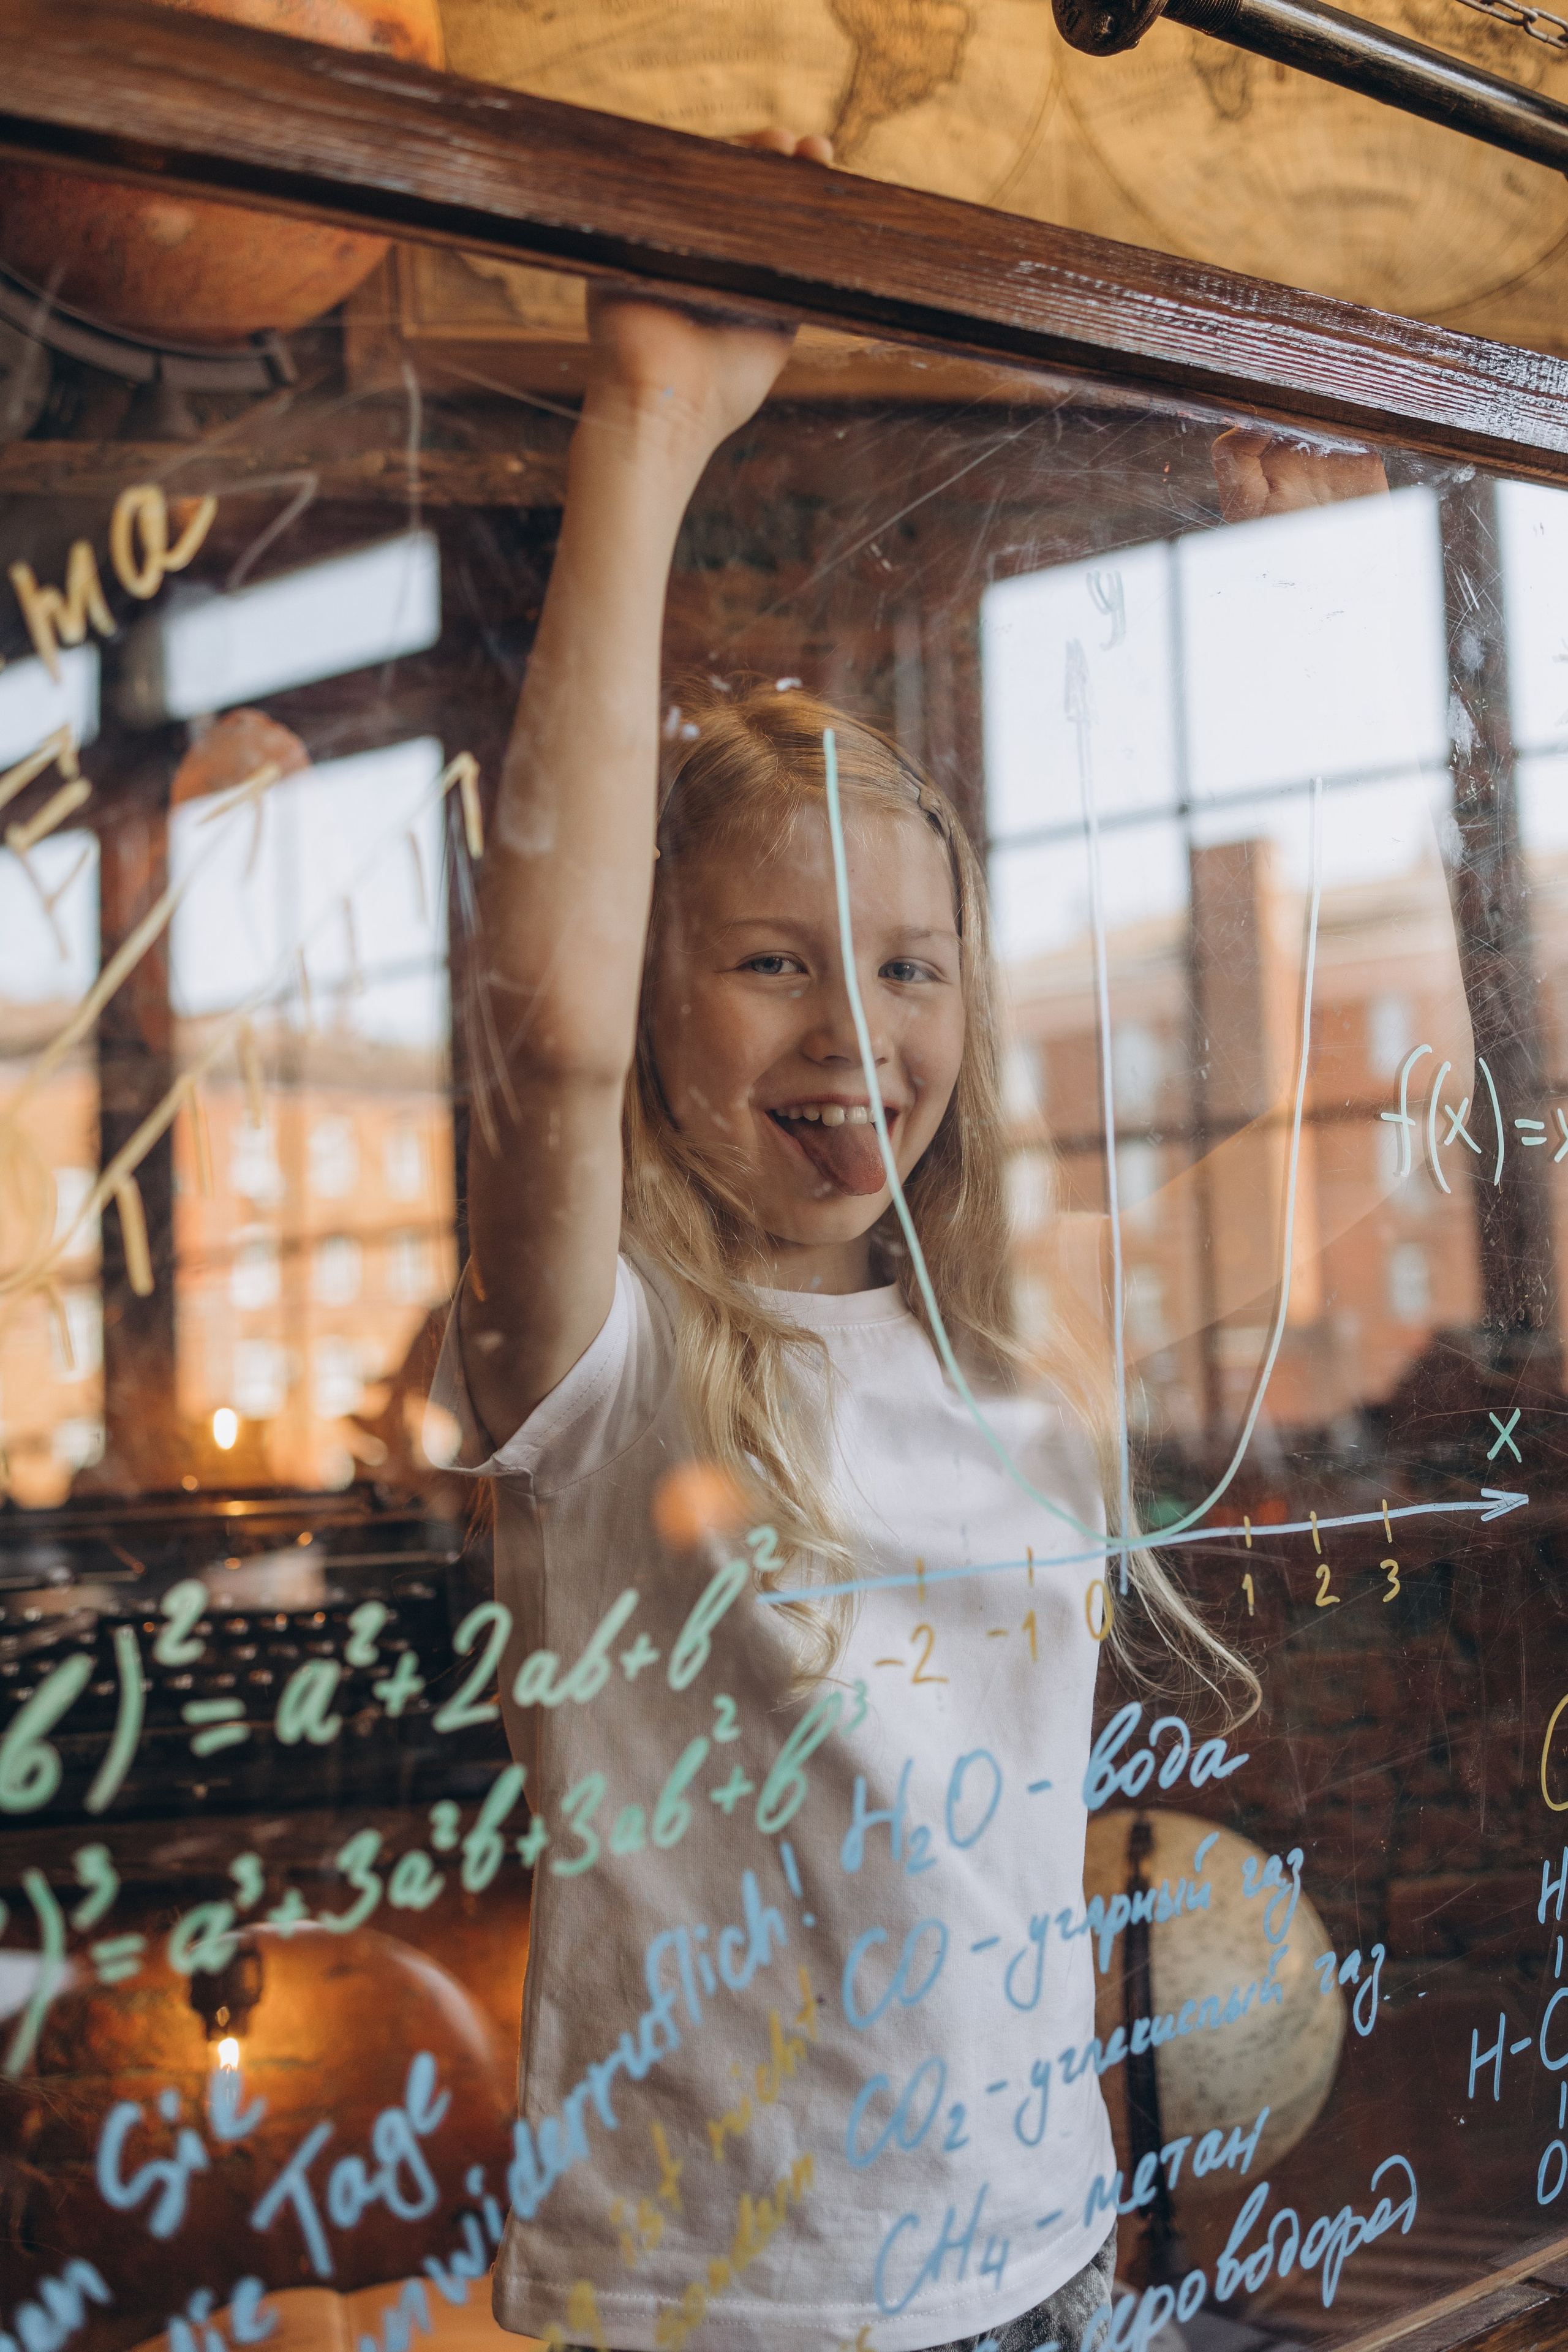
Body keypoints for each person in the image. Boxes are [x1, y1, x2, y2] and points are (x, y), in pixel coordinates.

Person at [434, 134, 1376, 2352]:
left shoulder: (988, 1351)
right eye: (770, 963)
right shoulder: (603, 1364)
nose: (859, 1033)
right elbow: (541, 1037)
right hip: (728, 2308)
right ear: (660, 994)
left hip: (1037, 2264)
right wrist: (645, 427)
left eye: (912, 968)